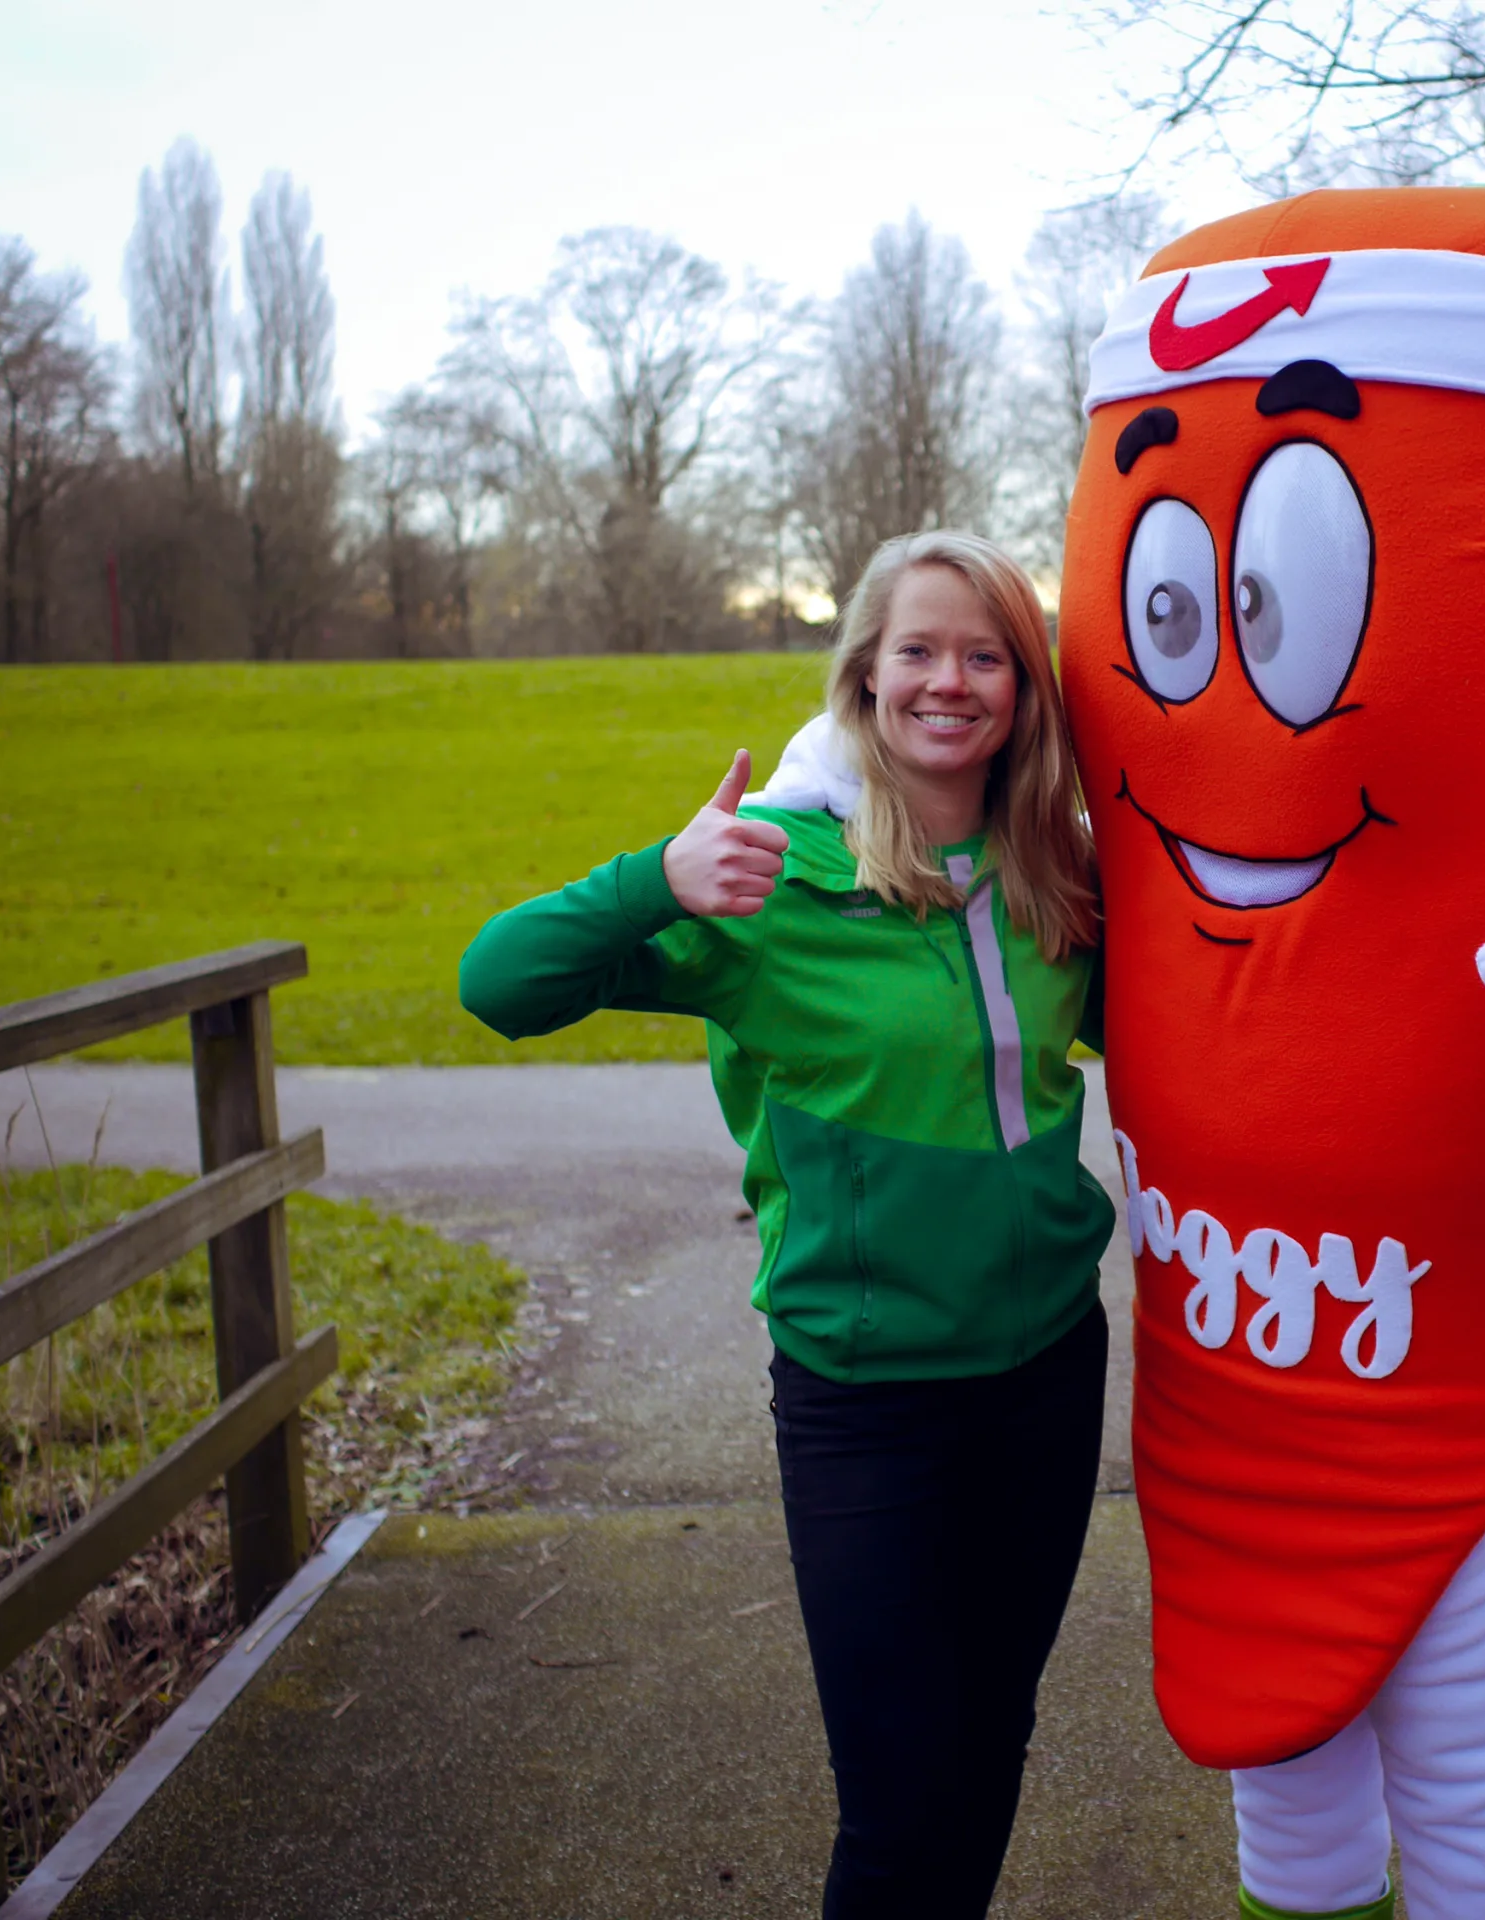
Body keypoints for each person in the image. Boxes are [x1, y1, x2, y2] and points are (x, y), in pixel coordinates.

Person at [458, 529, 1113, 1919]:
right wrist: (655, 877)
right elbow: (497, 983)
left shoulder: (1058, 874)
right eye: (919, 651)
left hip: (1047, 1380)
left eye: (985, 654)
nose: (951, 681)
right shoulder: (770, 877)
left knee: (992, 1744)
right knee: (896, 1802)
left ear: (1024, 687)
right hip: (866, 1404)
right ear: (865, 676)